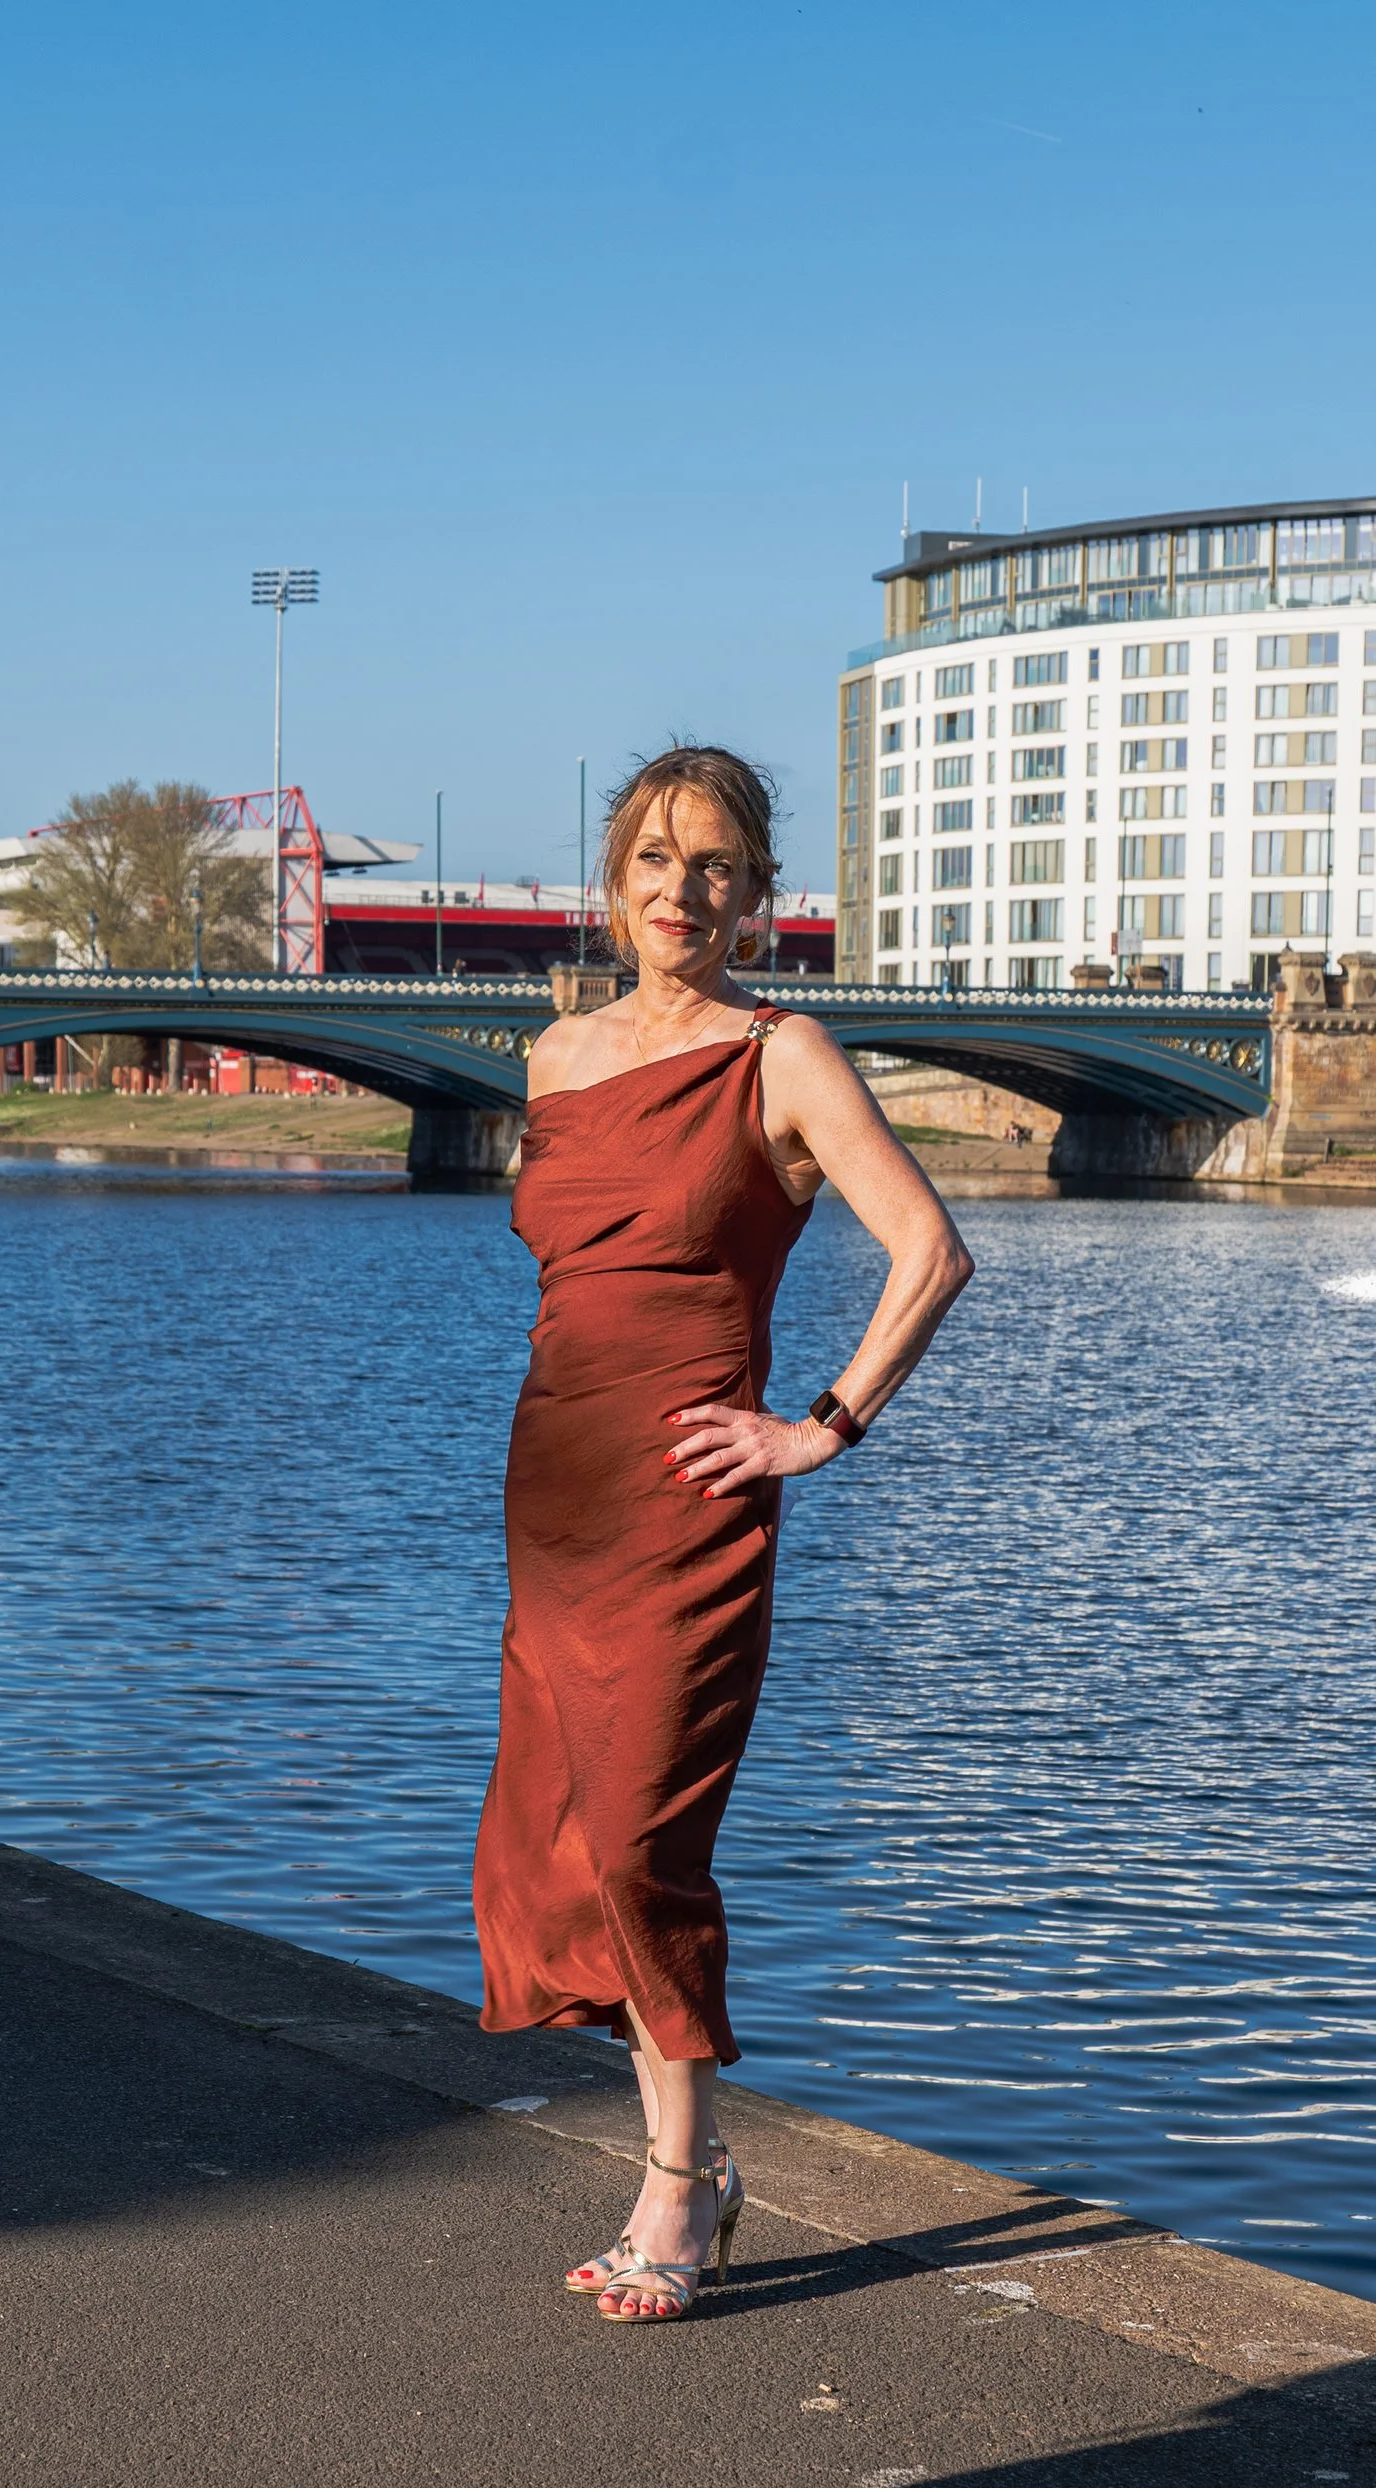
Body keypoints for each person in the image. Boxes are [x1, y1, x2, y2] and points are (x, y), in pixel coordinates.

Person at [473, 746, 971, 2323]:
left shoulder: (783, 1056)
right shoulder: (555, 1061)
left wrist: (816, 1428)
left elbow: (933, 1252)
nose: (683, 890)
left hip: (693, 1503)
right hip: (557, 1492)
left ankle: (682, 2186)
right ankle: (686, 2159)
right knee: (560, 1856)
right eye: (656, 860)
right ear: (614, 885)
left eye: (717, 866)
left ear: (759, 898)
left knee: (638, 1839)